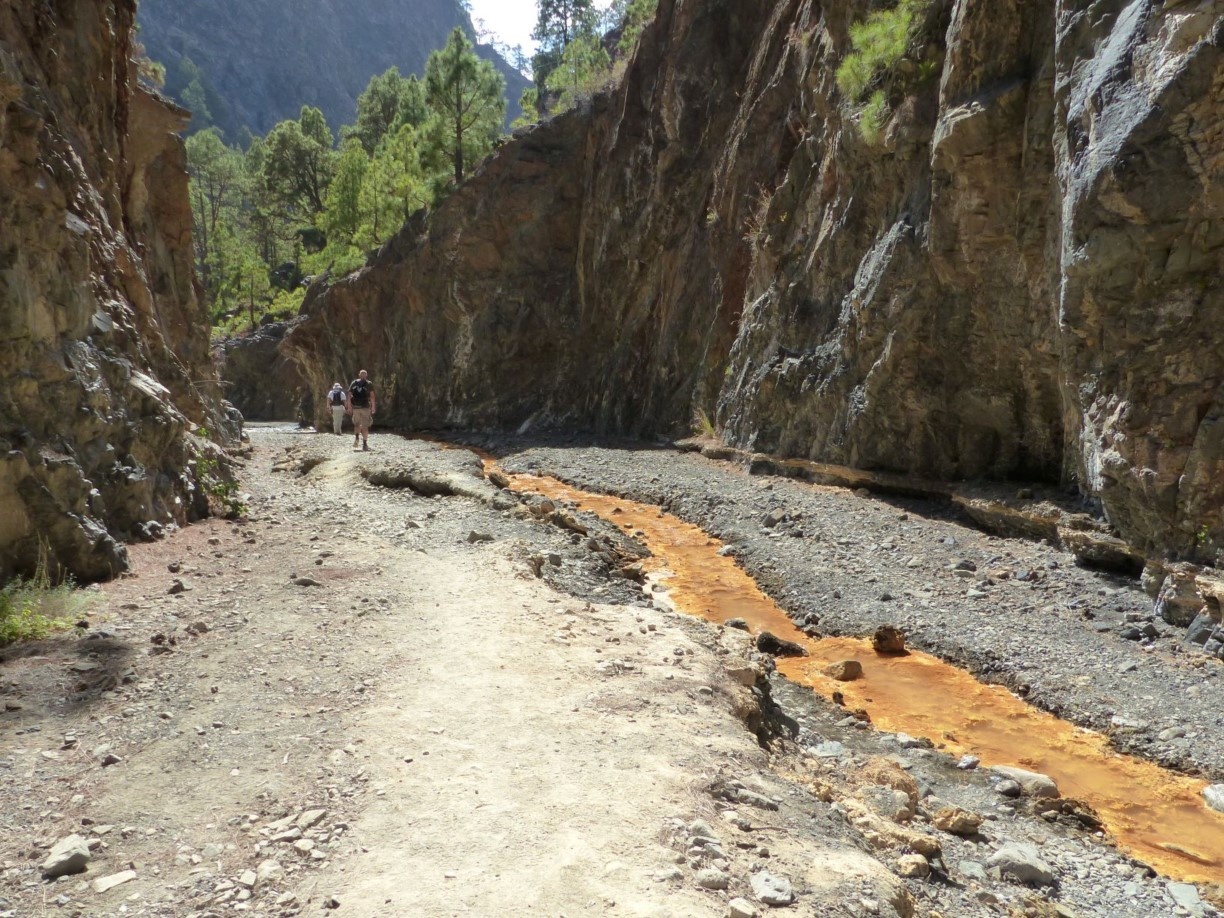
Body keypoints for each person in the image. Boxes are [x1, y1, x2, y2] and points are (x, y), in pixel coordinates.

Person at [347, 369, 376, 451]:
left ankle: (356, 437)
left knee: (356, 424)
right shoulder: (369, 384)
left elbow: (349, 395)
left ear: (359, 375)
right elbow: (372, 396)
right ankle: (365, 444)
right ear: (366, 376)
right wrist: (373, 407)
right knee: (365, 426)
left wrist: (349, 406)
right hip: (365, 407)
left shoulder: (354, 383)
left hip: (356, 407)